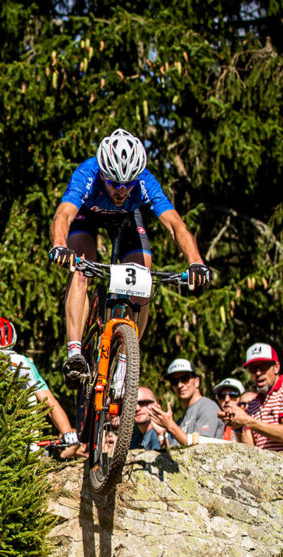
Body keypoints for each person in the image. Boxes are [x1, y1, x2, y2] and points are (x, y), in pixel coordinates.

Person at [47, 128, 211, 385]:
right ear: (102, 173)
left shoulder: (145, 181)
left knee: (143, 281)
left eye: (128, 184)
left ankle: (126, 360)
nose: (122, 190)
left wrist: (195, 261)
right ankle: (75, 353)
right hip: (88, 216)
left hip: (127, 220)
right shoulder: (87, 172)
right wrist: (59, 245)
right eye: (114, 183)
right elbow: (64, 215)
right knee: (80, 271)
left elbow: (175, 225)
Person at [0, 315, 77, 444]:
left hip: (16, 426)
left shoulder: (22, 364)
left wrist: (67, 432)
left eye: (4, 358)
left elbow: (49, 402)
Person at [223, 343, 283, 460]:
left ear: (276, 367)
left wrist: (247, 420)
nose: (258, 373)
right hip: (267, 474)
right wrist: (237, 428)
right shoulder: (253, 404)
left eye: (263, 367)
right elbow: (251, 450)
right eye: (253, 368)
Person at [153, 358, 221, 446]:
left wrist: (170, 425)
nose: (180, 385)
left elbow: (201, 447)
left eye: (185, 378)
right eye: (174, 381)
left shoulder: (208, 407)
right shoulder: (181, 420)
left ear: (196, 382)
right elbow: (174, 454)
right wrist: (161, 434)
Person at [211, 378, 246, 442]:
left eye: (233, 394)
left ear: (241, 398)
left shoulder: (249, 423)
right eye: (222, 396)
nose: (227, 400)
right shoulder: (220, 424)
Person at [131, 386, 165, 450]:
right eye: (132, 405)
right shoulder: (134, 440)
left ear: (156, 405)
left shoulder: (163, 435)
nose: (137, 408)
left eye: (142, 403)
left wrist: (161, 437)